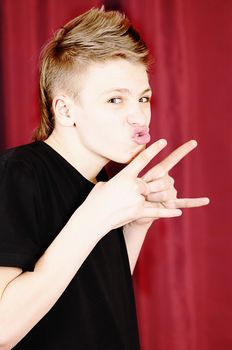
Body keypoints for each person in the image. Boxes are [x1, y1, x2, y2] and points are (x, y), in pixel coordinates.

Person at [0, 7, 209, 350]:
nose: (139, 115)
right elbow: (2, 328)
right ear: (65, 110)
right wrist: (94, 218)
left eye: (143, 98)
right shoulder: (19, 173)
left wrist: (137, 223)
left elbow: (94, 298)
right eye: (115, 99)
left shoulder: (103, 185)